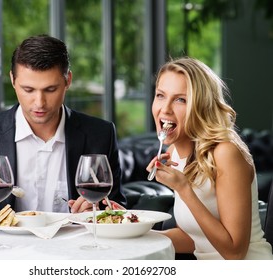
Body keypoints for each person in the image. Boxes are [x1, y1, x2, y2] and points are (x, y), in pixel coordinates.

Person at [0, 34, 125, 235]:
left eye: (50, 89)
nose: (39, 103)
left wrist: (96, 212)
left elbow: (117, 208)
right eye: (28, 89)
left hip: (73, 256)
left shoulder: (101, 134)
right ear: (12, 80)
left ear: (68, 80)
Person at [110, 56, 273, 259]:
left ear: (201, 106)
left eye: (181, 99)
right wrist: (130, 229)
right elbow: (193, 238)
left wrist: (184, 188)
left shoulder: (226, 153)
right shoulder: (174, 153)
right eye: (160, 95)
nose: (165, 108)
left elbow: (235, 252)